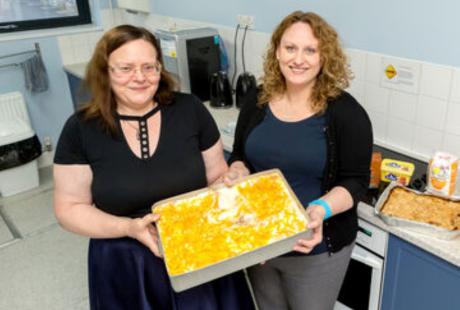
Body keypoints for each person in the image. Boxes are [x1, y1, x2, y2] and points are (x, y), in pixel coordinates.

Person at [53, 25, 255, 310]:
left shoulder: (190, 110)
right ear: (105, 71)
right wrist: (129, 227)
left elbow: (217, 177)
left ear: (161, 69)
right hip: (125, 261)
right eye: (125, 68)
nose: (139, 77)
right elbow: (69, 209)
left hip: (199, 251)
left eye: (149, 67)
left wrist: (233, 179)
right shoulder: (81, 129)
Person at [224, 11, 373, 310]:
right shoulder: (258, 99)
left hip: (315, 246)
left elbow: (356, 182)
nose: (298, 59)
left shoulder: (346, 113)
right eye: (290, 48)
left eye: (310, 50)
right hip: (261, 242)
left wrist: (320, 209)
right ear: (277, 51)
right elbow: (240, 154)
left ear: (324, 56)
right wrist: (237, 170)